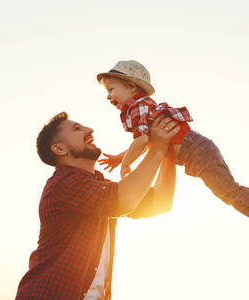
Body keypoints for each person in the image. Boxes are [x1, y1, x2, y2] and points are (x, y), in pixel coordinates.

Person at [96, 60, 249, 255]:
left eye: (111, 89)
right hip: (198, 149)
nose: (108, 97)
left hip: (196, 151)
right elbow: (146, 142)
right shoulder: (140, 107)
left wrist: (125, 165)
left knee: (227, 192)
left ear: (130, 86)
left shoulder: (137, 108)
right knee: (230, 188)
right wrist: (121, 158)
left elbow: (141, 141)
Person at [15, 112, 180, 300]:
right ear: (59, 149)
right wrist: (157, 148)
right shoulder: (64, 183)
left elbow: (160, 202)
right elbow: (124, 200)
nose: (89, 129)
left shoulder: (96, 186)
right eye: (77, 129)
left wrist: (168, 154)